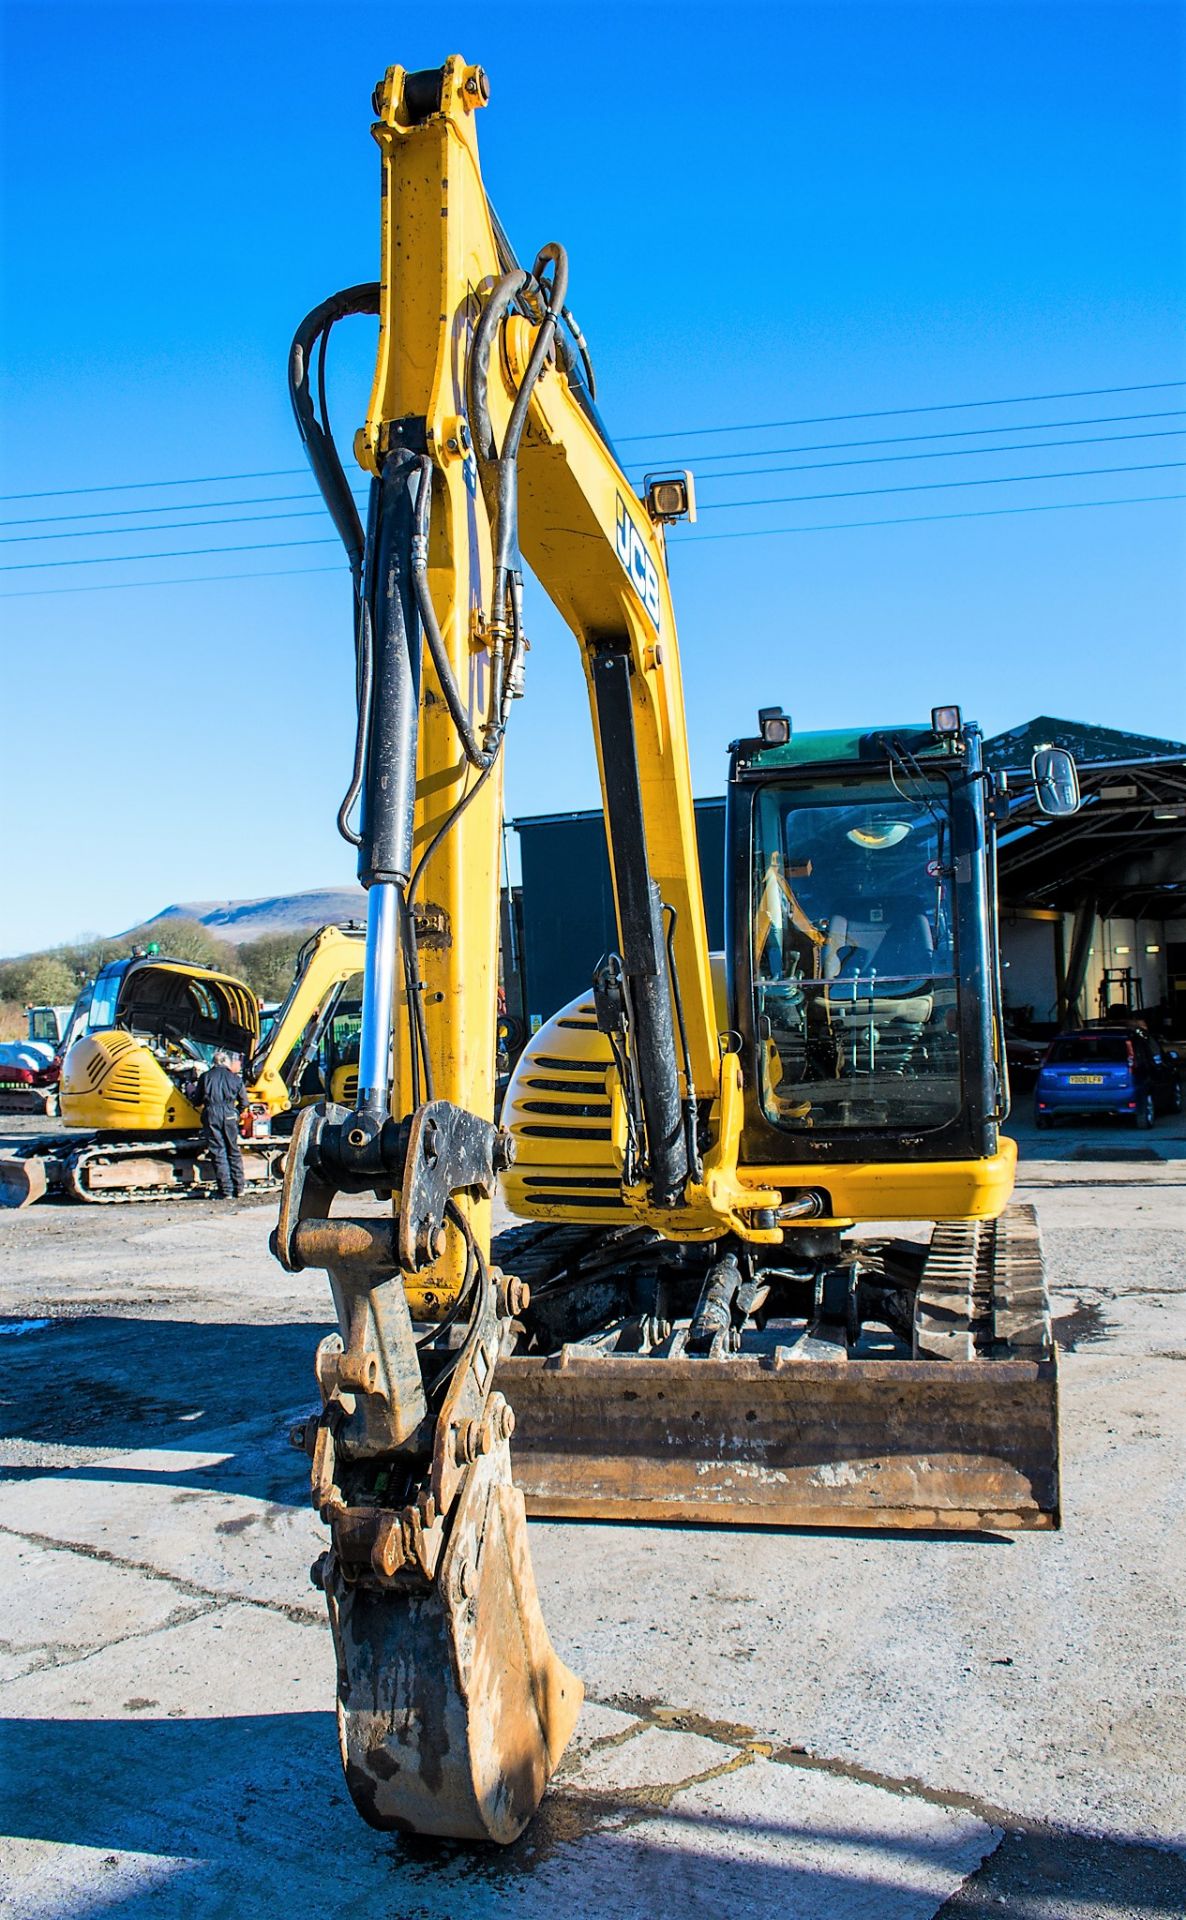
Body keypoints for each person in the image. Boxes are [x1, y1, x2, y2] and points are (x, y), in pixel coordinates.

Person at [193, 1048, 249, 1200]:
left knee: (218, 1152)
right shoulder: (235, 1078)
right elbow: (245, 1101)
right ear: (227, 1063)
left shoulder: (205, 1077)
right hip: (230, 1114)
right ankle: (240, 1188)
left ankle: (226, 1191)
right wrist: (236, 1112)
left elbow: (196, 1100)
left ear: (214, 1062)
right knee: (234, 1150)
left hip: (212, 1114)